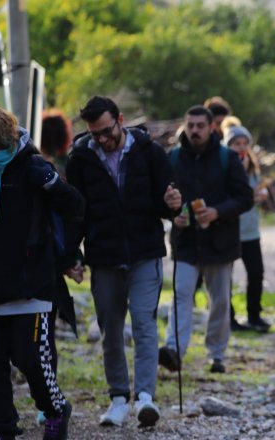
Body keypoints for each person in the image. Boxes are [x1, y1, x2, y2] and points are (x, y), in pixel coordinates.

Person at [63, 96, 181, 427]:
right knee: (110, 330)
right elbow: (76, 214)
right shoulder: (80, 159)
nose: (102, 139)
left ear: (120, 119)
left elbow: (167, 199)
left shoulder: (150, 152)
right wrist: (72, 254)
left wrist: (173, 203)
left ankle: (145, 398)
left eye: (106, 131)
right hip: (104, 257)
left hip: (145, 254)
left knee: (144, 324)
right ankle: (118, 398)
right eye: (94, 133)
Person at [0, 104, 83, 440]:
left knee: (31, 360)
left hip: (31, 284)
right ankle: (4, 428)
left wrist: (53, 185)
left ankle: (56, 409)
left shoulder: (32, 168)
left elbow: (75, 208)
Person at [159, 106, 253, 374]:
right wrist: (171, 215)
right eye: (191, 125)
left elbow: (245, 198)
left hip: (220, 243)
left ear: (212, 127)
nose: (195, 131)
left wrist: (217, 212)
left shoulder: (227, 158)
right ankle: (174, 350)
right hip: (185, 242)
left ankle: (217, 353)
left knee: (220, 300)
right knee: (181, 296)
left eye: (200, 125)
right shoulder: (173, 158)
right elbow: (160, 196)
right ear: (185, 127)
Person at [224, 125, 271, 333]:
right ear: (228, 146)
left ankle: (254, 315)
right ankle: (229, 318)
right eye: (236, 144)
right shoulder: (224, 167)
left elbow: (253, 193)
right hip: (230, 230)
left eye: (244, 143)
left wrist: (260, 196)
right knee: (226, 277)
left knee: (256, 273)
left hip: (251, 231)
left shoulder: (253, 167)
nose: (241, 148)